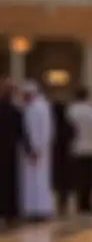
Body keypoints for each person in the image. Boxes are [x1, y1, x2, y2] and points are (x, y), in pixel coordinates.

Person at [20, 82, 55, 222]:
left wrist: (37, 148)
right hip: (32, 149)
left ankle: (40, 209)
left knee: (39, 180)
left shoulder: (39, 108)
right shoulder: (32, 107)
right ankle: (32, 209)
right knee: (32, 180)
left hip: (38, 150)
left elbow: (43, 131)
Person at [0, 79, 29, 228]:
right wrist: (29, 150)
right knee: (10, 183)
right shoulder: (15, 111)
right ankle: (10, 215)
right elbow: (22, 133)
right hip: (10, 151)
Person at [66, 87, 92, 214]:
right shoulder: (91, 111)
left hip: (75, 148)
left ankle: (79, 204)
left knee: (78, 178)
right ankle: (88, 204)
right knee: (89, 179)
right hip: (89, 148)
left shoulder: (71, 111)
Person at [50, 98, 75, 217]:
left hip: (55, 157)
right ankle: (63, 205)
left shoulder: (52, 125)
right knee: (65, 184)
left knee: (58, 183)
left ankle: (59, 205)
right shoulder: (68, 124)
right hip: (67, 157)